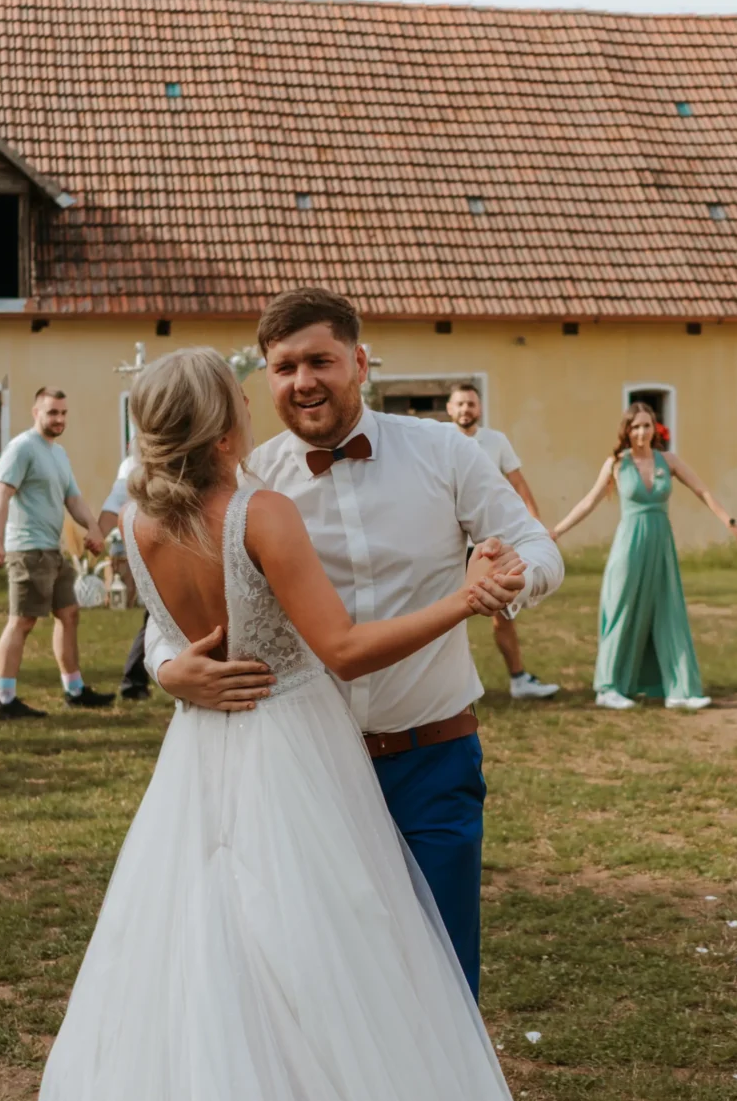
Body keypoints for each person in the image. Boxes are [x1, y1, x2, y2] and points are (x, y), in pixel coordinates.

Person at [26, 347, 561, 1101]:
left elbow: (175, 642)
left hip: (203, 763)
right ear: (227, 421)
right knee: (333, 977)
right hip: (294, 757)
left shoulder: (136, 518)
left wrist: (173, 669)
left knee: (218, 977)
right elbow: (348, 650)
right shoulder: (259, 511)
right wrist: (463, 597)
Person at [151, 288, 564, 995]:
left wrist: (513, 579)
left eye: (320, 360)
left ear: (360, 362)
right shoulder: (251, 485)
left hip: (431, 756)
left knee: (440, 973)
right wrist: (168, 670)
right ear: (265, 378)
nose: (303, 380)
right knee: (323, 985)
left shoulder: (444, 451)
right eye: (283, 367)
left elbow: (533, 540)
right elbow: (170, 617)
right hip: (305, 773)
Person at [547, 400, 735, 711]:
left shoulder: (668, 460)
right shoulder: (617, 463)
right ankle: (608, 688)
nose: (641, 432)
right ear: (627, 430)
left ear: (655, 428)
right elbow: (589, 502)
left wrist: (730, 523)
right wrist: (556, 531)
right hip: (629, 544)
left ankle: (679, 690)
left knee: (668, 611)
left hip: (661, 543)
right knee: (620, 608)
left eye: (647, 425)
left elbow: (702, 490)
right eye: (635, 426)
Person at [0, 388, 114, 719]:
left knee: (69, 614)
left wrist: (93, 528)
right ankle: (5, 700)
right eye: (52, 412)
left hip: (52, 552)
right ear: (36, 412)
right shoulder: (21, 448)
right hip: (26, 549)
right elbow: (1, 493)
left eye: (63, 413)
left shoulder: (58, 454)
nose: (58, 419)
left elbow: (73, 498)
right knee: (22, 621)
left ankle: (74, 690)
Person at [448, 383, 559, 699]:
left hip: (489, 544)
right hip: (449, 547)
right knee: (444, 616)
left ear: (479, 408)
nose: (465, 410)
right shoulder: (439, 440)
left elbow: (519, 485)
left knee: (502, 613)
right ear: (449, 409)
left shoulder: (495, 441)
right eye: (459, 404)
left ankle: (519, 680)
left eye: (470, 404)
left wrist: (536, 529)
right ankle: (447, 688)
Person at [94, 457, 154, 701]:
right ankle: (134, 681)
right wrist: (97, 536)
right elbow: (115, 502)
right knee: (157, 617)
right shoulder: (134, 465)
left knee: (157, 618)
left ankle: (135, 680)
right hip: (158, 552)